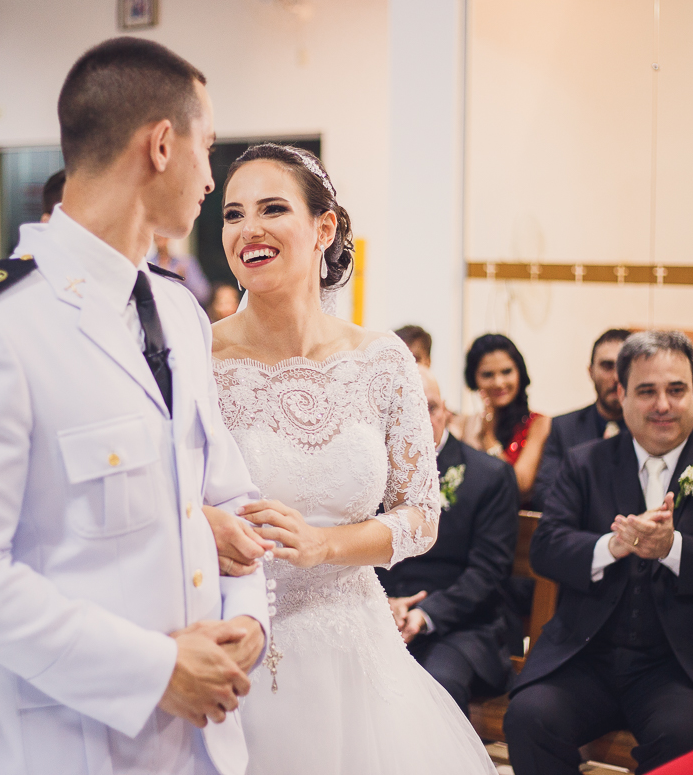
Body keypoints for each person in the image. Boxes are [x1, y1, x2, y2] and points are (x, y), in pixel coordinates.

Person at [0, 37, 270, 775]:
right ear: (161, 145)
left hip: (202, 744)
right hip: (66, 746)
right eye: (207, 148)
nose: (210, 177)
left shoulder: (180, 314)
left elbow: (229, 498)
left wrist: (249, 618)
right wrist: (152, 670)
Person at [209, 142, 494, 773]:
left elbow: (421, 515)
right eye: (232, 214)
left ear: (324, 228)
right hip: (243, 642)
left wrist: (325, 545)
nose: (248, 229)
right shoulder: (200, 360)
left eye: (272, 209)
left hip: (355, 643)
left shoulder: (383, 360)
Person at [503, 330, 693, 775]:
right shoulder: (585, 462)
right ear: (622, 394)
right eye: (647, 391)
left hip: (681, 668)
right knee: (529, 718)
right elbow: (546, 547)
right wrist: (611, 546)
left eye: (676, 390)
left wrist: (673, 548)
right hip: (585, 657)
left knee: (683, 739)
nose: (662, 405)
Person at [379, 364, 519, 715]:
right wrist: (384, 604)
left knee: (434, 685)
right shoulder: (372, 476)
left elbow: (488, 572)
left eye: (429, 407)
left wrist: (425, 614)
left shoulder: (489, 476)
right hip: (379, 616)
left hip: (461, 628)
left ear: (445, 411)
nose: (420, 420)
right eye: (406, 409)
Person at [533, 329, 630, 512]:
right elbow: (545, 496)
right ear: (591, 371)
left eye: (623, 367)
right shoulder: (563, 428)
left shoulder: (652, 430)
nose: (616, 377)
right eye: (607, 366)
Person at [454, 334, 551, 503]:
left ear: (519, 373)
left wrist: (488, 439)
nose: (498, 383)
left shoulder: (538, 424)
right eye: (487, 375)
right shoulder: (464, 425)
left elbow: (520, 485)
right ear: (474, 379)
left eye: (507, 372)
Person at [149, 234, 211, 305]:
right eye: (157, 236)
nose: (160, 237)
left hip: (182, 306)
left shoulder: (186, 263)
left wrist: (185, 278)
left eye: (163, 236)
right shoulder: (148, 264)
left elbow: (203, 294)